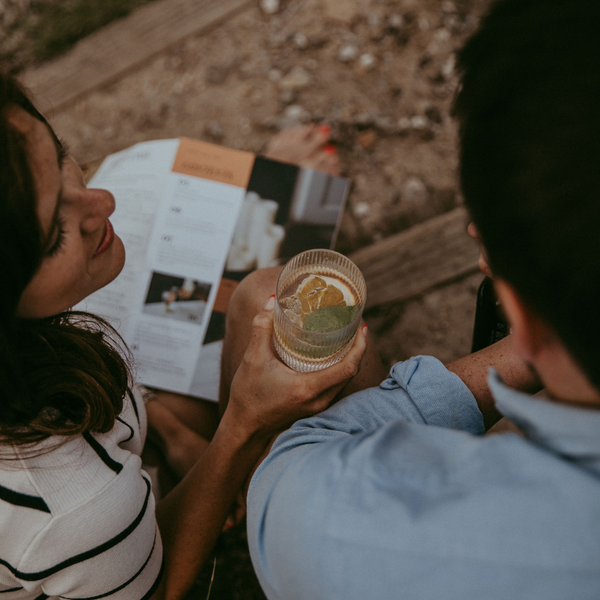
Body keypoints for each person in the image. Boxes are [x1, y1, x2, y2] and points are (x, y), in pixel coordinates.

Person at [222, 0, 600, 597]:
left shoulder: (347, 527)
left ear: (519, 316)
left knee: (262, 294)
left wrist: (541, 338)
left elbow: (294, 469)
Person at [0, 72, 368, 600]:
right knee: (268, 304)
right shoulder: (69, 504)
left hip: (114, 492)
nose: (102, 200)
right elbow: (161, 588)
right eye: (54, 231)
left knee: (258, 290)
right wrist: (245, 424)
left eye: (59, 156)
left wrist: (172, 435)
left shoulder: (30, 350)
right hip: (122, 567)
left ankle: (258, 207)